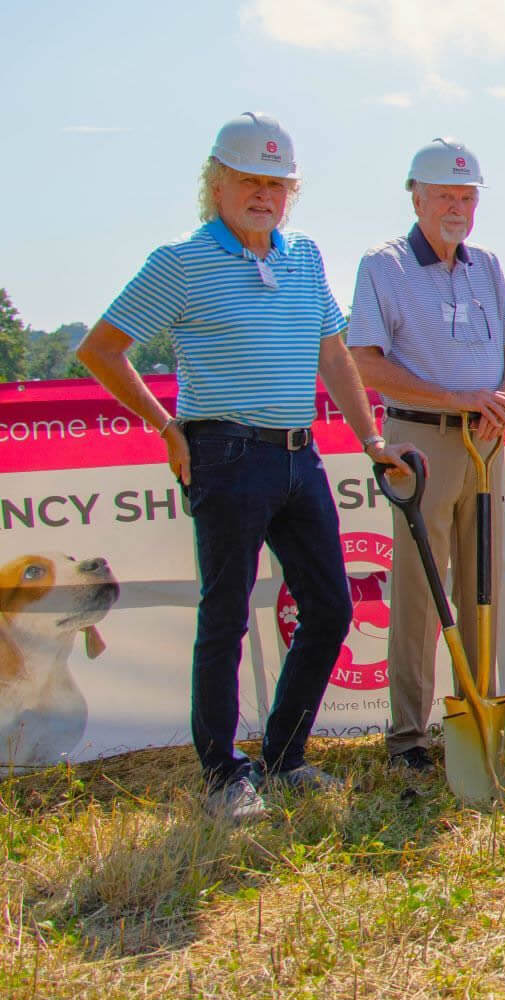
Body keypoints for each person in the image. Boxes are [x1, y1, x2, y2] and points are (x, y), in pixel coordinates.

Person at [73, 112, 416, 821]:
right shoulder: (181, 261)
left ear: (291, 192)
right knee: (224, 618)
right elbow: (101, 350)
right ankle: (223, 776)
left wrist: (372, 440)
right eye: (248, 181)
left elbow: (334, 355)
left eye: (276, 183)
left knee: (330, 607)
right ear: (217, 184)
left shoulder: (305, 256)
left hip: (298, 454)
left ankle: (284, 758)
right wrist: (166, 426)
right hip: (224, 453)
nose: (264, 194)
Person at [347, 138, 505, 774]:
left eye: (467, 196)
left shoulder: (487, 264)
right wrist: (456, 397)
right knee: (422, 591)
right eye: (445, 194)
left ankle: (473, 716)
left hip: (485, 437)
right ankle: (407, 739)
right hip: (422, 437)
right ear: (417, 197)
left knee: (481, 584)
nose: (457, 206)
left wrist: (504, 393)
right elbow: (367, 362)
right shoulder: (385, 265)